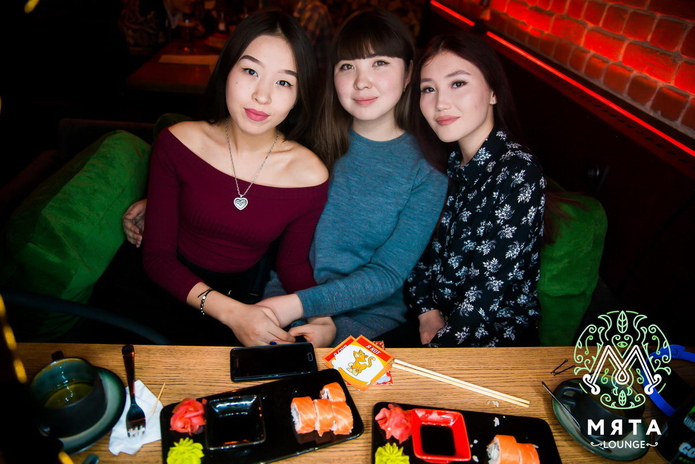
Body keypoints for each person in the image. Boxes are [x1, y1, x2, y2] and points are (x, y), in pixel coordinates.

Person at [116, 10, 329, 347]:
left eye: (284, 82)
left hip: (239, 298)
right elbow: (157, 258)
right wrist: (233, 314)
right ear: (225, 69)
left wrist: (322, 317)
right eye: (250, 71)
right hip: (158, 293)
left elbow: (292, 263)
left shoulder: (309, 175)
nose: (262, 95)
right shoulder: (178, 142)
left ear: (299, 95)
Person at [257, 9, 448, 347]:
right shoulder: (311, 141)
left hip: (368, 321)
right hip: (282, 300)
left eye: (380, 63)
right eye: (347, 66)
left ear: (408, 74)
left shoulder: (426, 170)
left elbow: (387, 274)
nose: (362, 82)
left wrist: (305, 310)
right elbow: (275, 235)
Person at [404, 31, 546, 347]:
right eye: (429, 89)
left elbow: (487, 292)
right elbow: (414, 251)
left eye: (458, 83)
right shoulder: (447, 163)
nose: (440, 103)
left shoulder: (518, 170)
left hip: (492, 341)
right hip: (430, 323)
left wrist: (435, 351)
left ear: (493, 91)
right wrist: (426, 312)